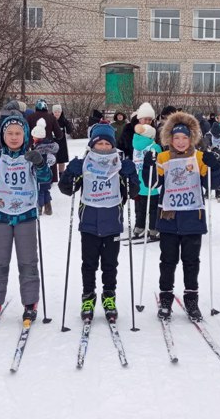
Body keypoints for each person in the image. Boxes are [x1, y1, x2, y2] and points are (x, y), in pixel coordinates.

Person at [0, 115, 53, 323]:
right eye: (10, 133)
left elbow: (46, 179)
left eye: (18, 133)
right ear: (3, 135)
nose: (14, 137)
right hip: (1, 216)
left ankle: (30, 303)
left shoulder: (31, 155)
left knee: (28, 262)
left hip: (26, 215)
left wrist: (41, 164)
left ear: (24, 134)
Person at [142, 111, 220, 320]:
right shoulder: (163, 157)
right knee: (167, 261)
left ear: (191, 138)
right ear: (169, 139)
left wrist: (215, 166)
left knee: (191, 261)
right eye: (176, 138)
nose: (180, 142)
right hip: (168, 219)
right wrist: (148, 167)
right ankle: (166, 298)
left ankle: (191, 299)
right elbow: (152, 184)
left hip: (192, 218)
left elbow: (212, 184)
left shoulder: (198, 157)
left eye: (184, 137)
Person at [58, 123, 139, 321]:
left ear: (112, 145)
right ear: (92, 145)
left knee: (110, 265)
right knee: (89, 264)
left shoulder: (119, 165)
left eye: (106, 143)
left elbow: (133, 192)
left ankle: (109, 296)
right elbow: (67, 189)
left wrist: (131, 175)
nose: (103, 147)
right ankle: (88, 297)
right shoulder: (85, 163)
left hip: (112, 223)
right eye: (99, 143)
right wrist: (70, 173)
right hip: (89, 224)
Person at [131, 122, 162, 239]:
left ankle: (140, 227)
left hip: (139, 183)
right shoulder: (154, 147)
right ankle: (154, 229)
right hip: (152, 182)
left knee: (142, 208)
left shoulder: (136, 146)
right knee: (153, 208)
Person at [26, 99, 63, 182]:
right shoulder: (51, 117)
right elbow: (59, 135)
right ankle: (52, 179)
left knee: (36, 162)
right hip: (49, 145)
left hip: (35, 145)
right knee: (51, 162)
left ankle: (36, 178)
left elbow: (26, 132)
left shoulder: (30, 117)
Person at [31, 118, 59, 215]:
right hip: (48, 173)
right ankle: (48, 207)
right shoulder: (49, 146)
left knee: (40, 191)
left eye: (33, 136)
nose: (32, 138)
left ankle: (39, 207)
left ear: (37, 137)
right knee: (46, 190)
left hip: (40, 174)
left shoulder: (39, 150)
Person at [53, 104, 73, 176]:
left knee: (62, 160)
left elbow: (69, 131)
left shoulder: (63, 120)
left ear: (61, 112)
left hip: (62, 143)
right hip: (53, 143)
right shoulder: (50, 119)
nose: (57, 114)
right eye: (55, 112)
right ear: (53, 112)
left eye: (58, 112)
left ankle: (61, 175)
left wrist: (68, 124)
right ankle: (54, 176)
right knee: (53, 160)